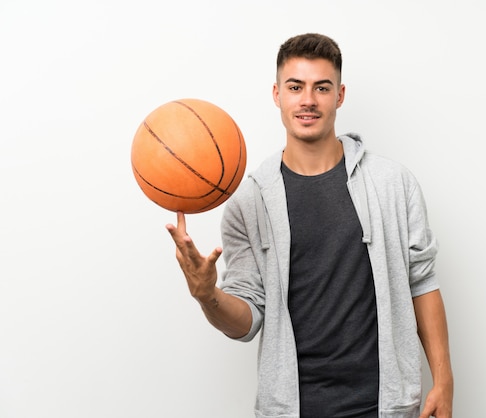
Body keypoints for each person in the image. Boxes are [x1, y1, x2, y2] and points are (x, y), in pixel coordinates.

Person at [166, 33, 453, 418]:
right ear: (277, 94)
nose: (308, 100)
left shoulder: (392, 183)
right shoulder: (249, 203)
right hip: (294, 409)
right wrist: (207, 295)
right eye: (295, 86)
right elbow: (246, 321)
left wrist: (444, 381)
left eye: (322, 87)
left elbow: (422, 282)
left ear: (340, 95)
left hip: (385, 406)